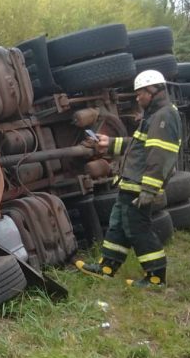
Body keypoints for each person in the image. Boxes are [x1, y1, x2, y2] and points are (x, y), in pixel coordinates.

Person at [76, 69, 182, 288]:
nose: (137, 97)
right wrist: (110, 142)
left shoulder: (165, 116)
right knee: (118, 224)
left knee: (138, 229)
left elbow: (160, 156)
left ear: (153, 90)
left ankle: (155, 277)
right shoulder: (154, 115)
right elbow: (138, 146)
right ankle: (106, 267)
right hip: (131, 182)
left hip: (141, 186)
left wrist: (149, 190)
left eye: (140, 93)